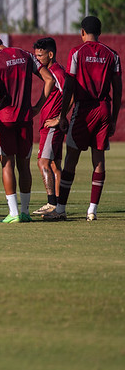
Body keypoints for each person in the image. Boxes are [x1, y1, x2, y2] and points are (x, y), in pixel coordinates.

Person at [0, 33, 55, 223]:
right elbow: (50, 80)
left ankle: (13, 213)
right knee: (24, 165)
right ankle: (26, 212)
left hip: (5, 119)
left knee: (7, 164)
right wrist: (37, 107)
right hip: (25, 118)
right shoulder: (26, 55)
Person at [55, 16, 121, 221]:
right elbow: (118, 91)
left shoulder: (76, 52)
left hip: (83, 109)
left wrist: (62, 114)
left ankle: (60, 209)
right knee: (99, 160)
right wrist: (113, 119)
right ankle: (92, 210)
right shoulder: (113, 55)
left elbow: (68, 87)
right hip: (103, 108)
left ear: (82, 32)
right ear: (99, 32)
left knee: (71, 160)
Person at [31, 37, 67, 221]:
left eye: (40, 55)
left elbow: (71, 92)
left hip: (51, 127)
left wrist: (60, 118)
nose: (37, 59)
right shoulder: (49, 71)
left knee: (42, 163)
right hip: (48, 125)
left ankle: (51, 203)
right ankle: (59, 209)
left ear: (50, 54)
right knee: (54, 165)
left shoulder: (57, 72)